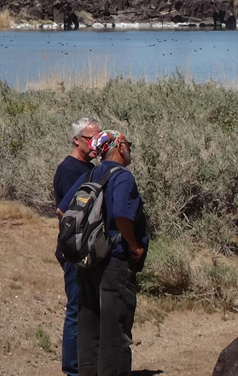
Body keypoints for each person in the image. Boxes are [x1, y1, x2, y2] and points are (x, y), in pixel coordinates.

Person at [68, 130, 148, 376]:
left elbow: (64, 210)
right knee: (116, 333)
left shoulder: (90, 174)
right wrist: (134, 244)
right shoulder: (123, 177)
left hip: (89, 261)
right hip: (114, 262)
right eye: (129, 144)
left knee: (89, 328)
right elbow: (123, 215)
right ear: (120, 147)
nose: (130, 149)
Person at [54, 117, 101, 376]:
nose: (96, 143)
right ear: (76, 140)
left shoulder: (87, 166)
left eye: (100, 137)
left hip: (83, 249)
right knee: (76, 308)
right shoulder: (70, 170)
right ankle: (73, 369)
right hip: (74, 251)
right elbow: (68, 213)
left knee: (86, 308)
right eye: (91, 138)